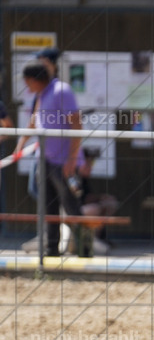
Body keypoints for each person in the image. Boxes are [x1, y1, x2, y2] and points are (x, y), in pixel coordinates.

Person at [15, 61, 82, 256]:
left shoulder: (62, 91)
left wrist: (72, 159)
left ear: (35, 79)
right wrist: (21, 143)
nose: (27, 87)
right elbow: (35, 121)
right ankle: (51, 250)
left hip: (63, 161)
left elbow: (76, 125)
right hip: (43, 159)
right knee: (48, 206)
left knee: (71, 206)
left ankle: (84, 250)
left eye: (28, 82)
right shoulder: (40, 94)